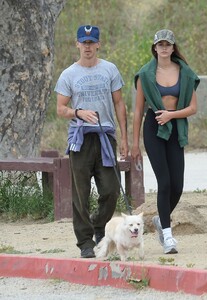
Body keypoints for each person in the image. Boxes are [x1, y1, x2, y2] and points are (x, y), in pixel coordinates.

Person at [54, 25, 128, 258]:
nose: (87, 47)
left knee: (111, 189)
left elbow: (119, 103)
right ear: (77, 44)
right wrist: (78, 113)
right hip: (80, 139)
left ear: (98, 44)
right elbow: (60, 108)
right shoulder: (68, 74)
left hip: (105, 136)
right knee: (81, 193)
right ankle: (85, 242)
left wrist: (124, 137)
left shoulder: (110, 69)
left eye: (91, 42)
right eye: (83, 42)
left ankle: (99, 225)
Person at [131, 29, 200, 254]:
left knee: (177, 185)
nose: (163, 48)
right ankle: (168, 238)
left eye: (167, 44)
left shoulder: (185, 72)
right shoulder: (145, 74)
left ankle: (161, 220)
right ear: (154, 47)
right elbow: (139, 110)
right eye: (159, 44)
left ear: (172, 47)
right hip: (154, 127)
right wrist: (134, 144)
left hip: (175, 125)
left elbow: (192, 108)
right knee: (165, 182)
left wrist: (171, 115)